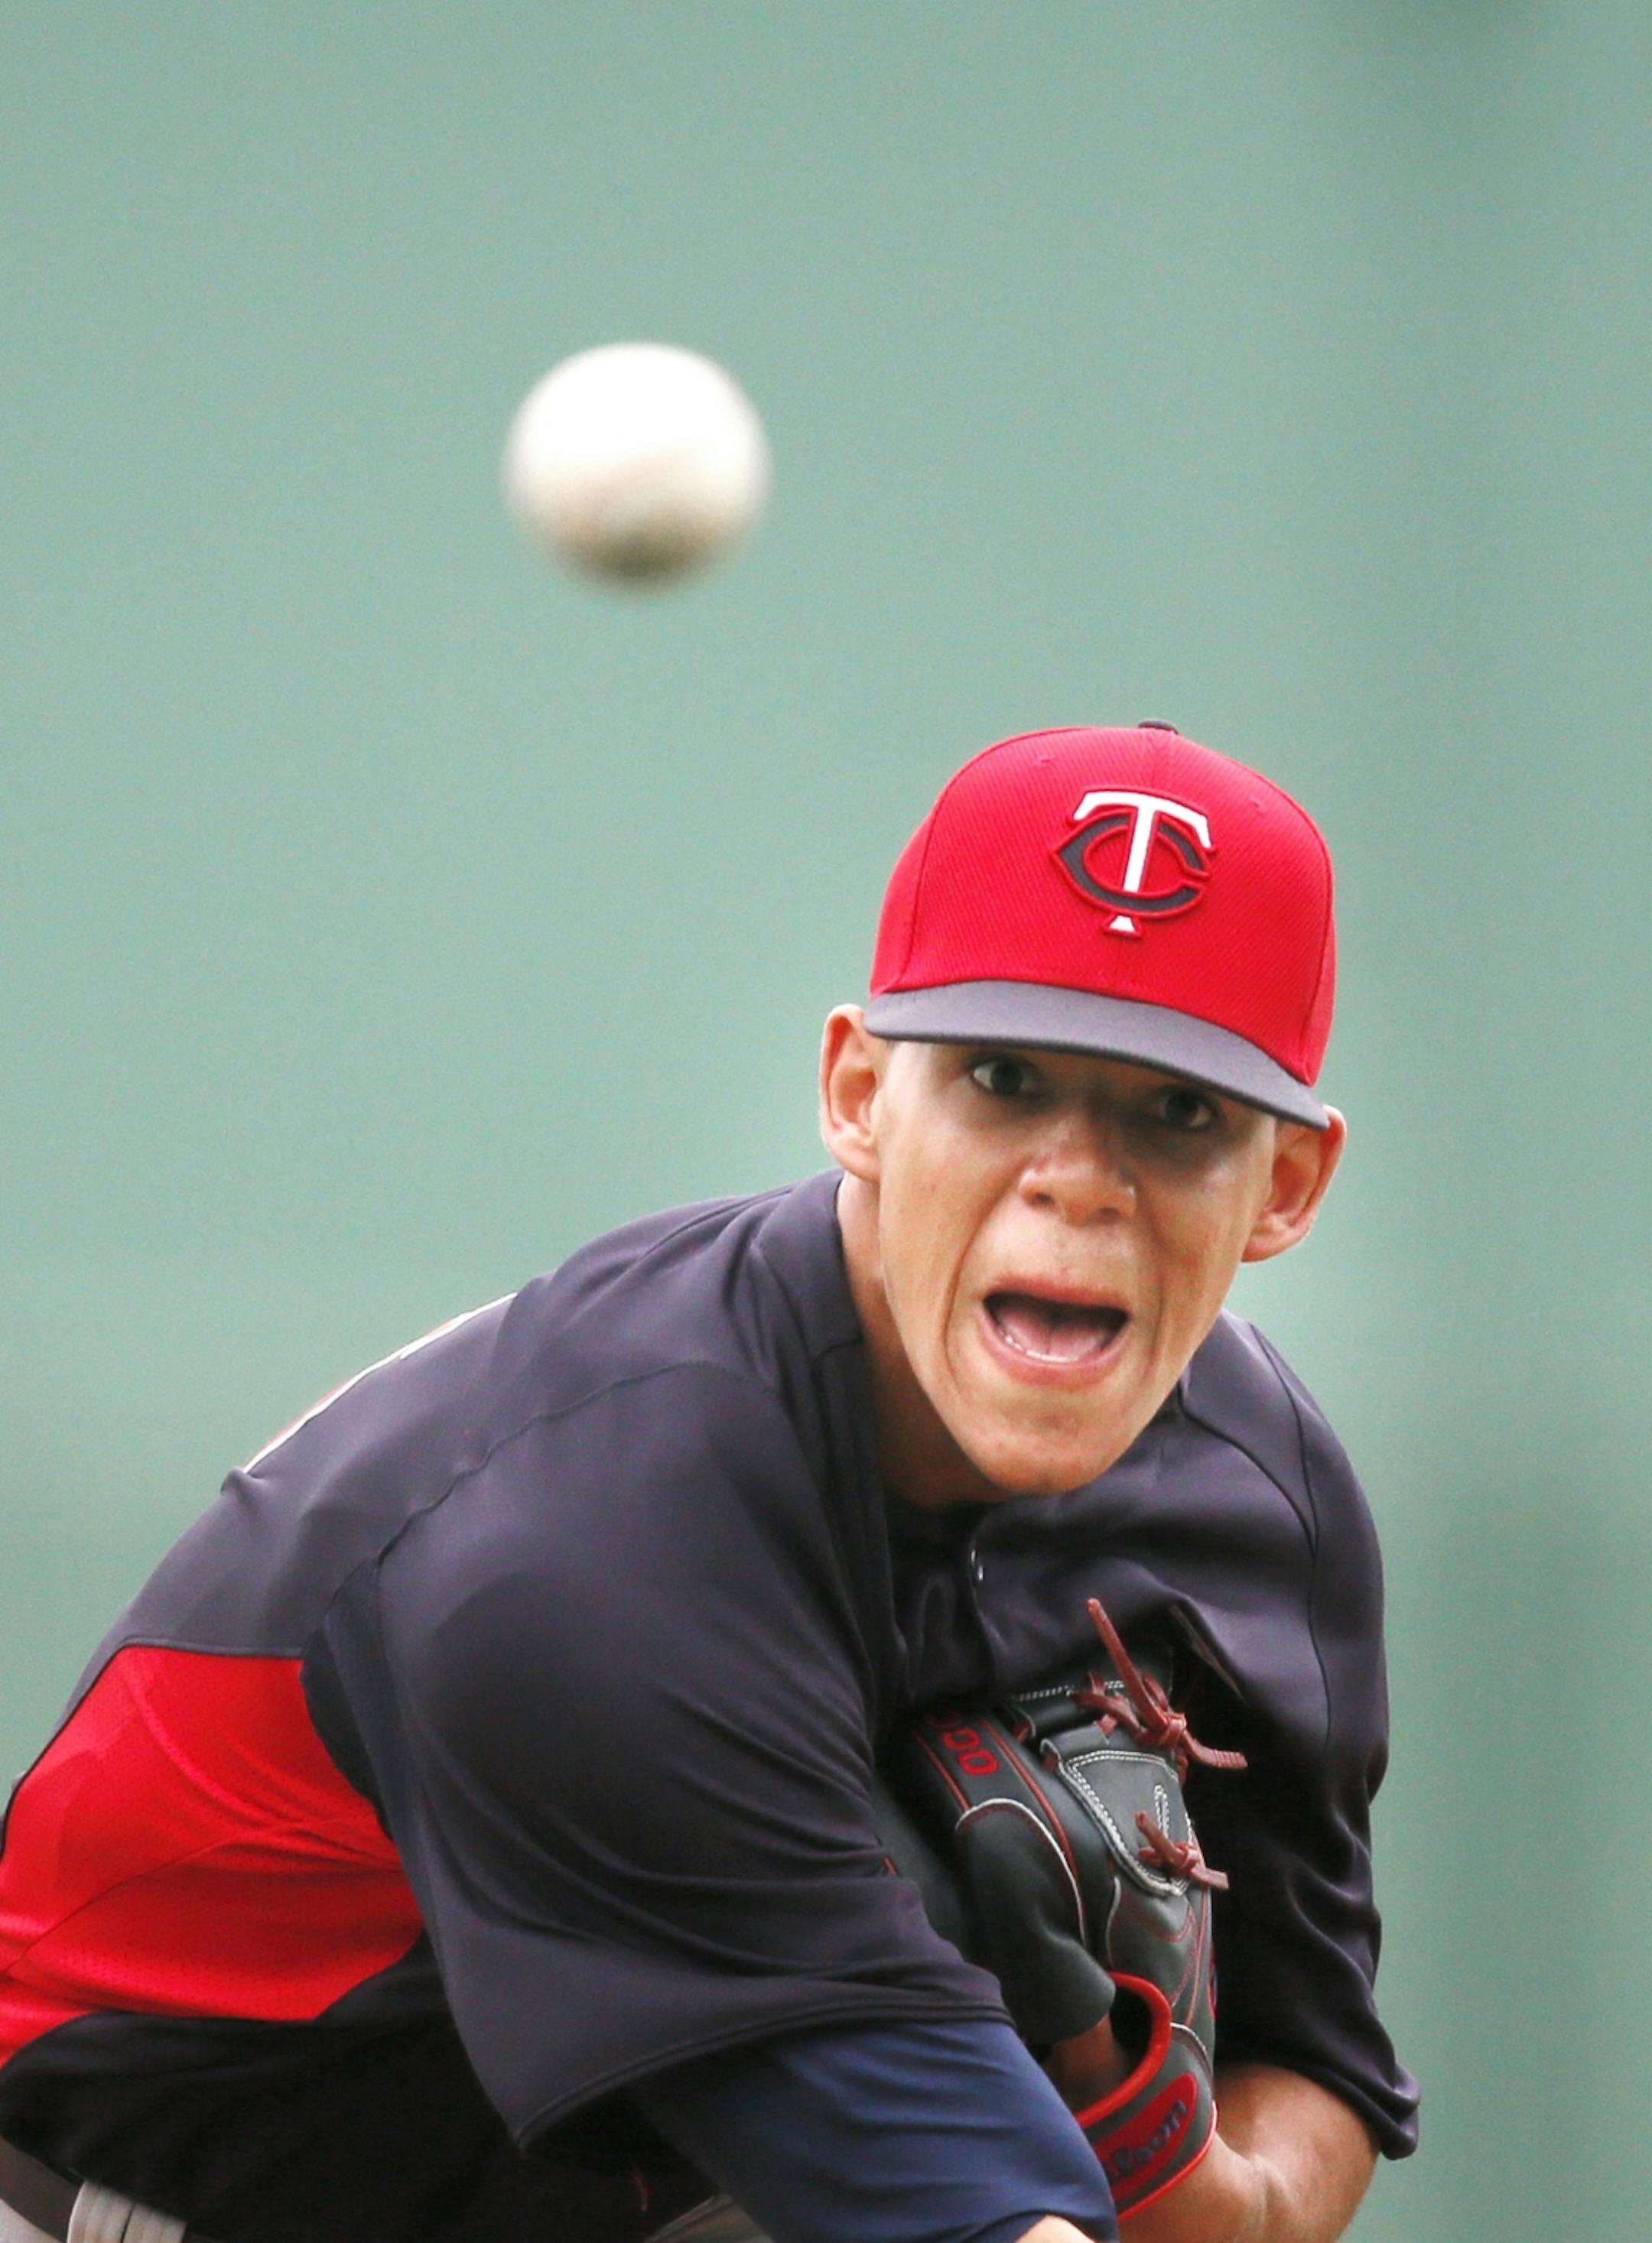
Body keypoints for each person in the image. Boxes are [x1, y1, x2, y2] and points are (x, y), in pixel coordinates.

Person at [0, 725, 1417, 2243]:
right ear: (859, 1095)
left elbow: (1302, 2081)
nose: (1077, 1177)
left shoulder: (1259, 1496)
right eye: (1005, 1079)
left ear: (1286, 1187)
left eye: (1178, 1112)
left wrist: (1135, 2121)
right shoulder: (590, 1559)